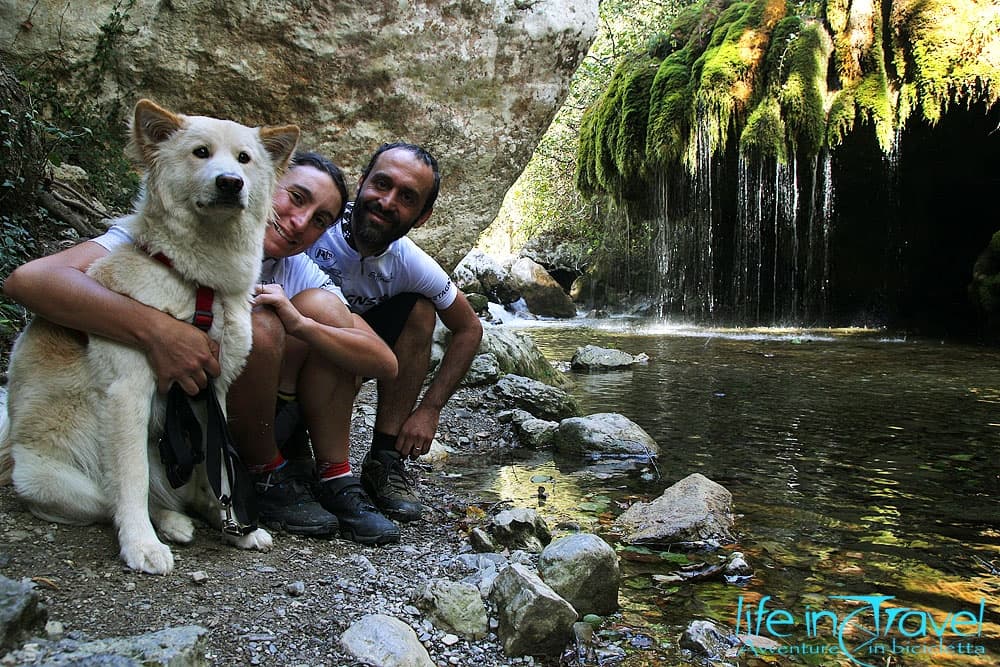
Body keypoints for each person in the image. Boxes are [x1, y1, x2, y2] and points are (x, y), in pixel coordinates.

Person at [2, 151, 403, 544]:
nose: (299, 222)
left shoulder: (294, 266)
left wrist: (302, 324)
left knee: (320, 309)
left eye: (320, 220)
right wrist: (158, 332)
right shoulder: (172, 232)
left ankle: (331, 474)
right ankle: (263, 473)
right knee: (260, 324)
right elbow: (30, 281)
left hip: (233, 408)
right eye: (295, 197)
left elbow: (384, 361)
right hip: (158, 409)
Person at [302, 142, 483, 523]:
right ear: (361, 181)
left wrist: (430, 410)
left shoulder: (412, 264)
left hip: (350, 358)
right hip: (292, 353)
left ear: (423, 216)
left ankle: (385, 458)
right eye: (381, 184)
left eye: (406, 197)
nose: (387, 202)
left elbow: (469, 328)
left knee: (420, 310)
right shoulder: (311, 228)